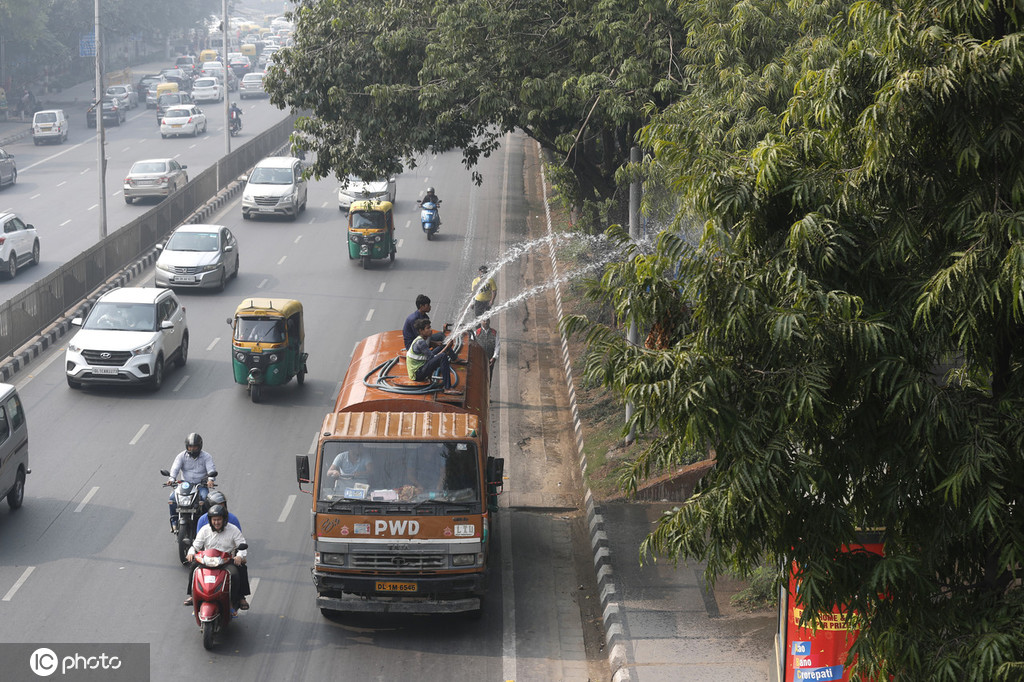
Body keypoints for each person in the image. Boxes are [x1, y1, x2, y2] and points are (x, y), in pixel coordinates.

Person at [184, 505, 249, 610]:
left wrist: (239, 556)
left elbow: (242, 545)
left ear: (224, 520)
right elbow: (195, 545)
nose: (217, 522)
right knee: (194, 568)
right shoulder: (205, 530)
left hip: (226, 561)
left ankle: (239, 598)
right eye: (214, 520)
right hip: (207, 560)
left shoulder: (233, 530)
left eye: (219, 519)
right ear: (210, 520)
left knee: (237, 572)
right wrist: (191, 553)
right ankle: (192, 595)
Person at [167, 433, 217, 533]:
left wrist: (210, 480)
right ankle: (174, 522)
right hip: (185, 485)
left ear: (200, 446)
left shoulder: (206, 457)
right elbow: (175, 468)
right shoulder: (181, 456)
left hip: (200, 485)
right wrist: (171, 479)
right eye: (190, 446)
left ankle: (205, 525)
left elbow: (211, 469)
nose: (192, 449)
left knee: (205, 499)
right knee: (172, 499)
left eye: (195, 446)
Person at [407, 318, 461, 395]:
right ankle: (447, 388)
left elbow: (429, 357)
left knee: (441, 347)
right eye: (428, 328)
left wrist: (441, 346)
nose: (430, 330)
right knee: (442, 356)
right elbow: (433, 358)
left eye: (430, 327)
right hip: (417, 374)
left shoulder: (421, 339)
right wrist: (447, 347)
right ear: (421, 331)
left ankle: (454, 359)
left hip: (421, 366)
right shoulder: (420, 342)